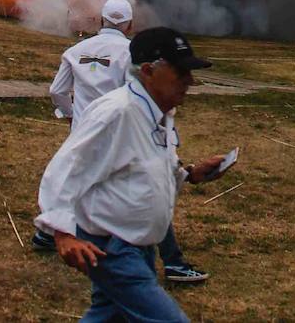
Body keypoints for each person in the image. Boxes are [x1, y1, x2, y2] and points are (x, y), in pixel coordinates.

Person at [36, 27, 231, 323]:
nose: (190, 81)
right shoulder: (117, 113)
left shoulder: (157, 113)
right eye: (181, 73)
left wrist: (190, 174)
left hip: (139, 247)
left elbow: (144, 170)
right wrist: (62, 233)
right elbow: (66, 169)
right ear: (149, 71)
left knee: (108, 315)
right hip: (112, 246)